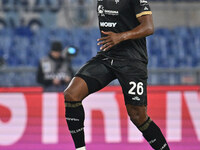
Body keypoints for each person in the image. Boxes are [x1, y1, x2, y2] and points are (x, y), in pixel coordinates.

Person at [64, 0, 170, 150]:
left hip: (132, 61)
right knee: (71, 94)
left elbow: (149, 27)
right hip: (107, 57)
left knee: (138, 116)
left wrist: (120, 36)